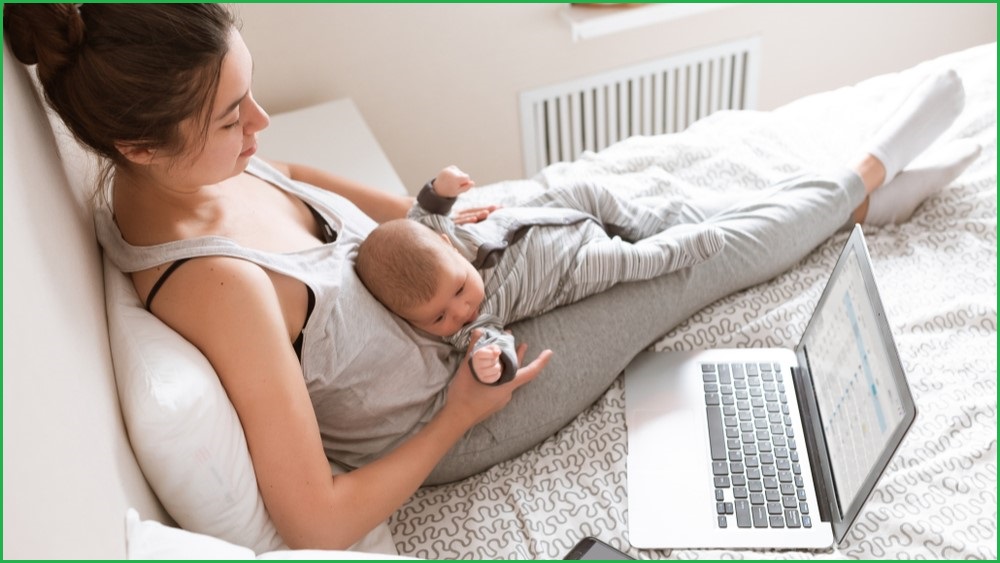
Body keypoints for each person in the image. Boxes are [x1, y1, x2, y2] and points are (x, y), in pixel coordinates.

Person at [4, 3, 978, 551]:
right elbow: (313, 517)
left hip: (425, 290)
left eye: (249, 92)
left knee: (595, 195)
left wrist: (428, 213)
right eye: (232, 118)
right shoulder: (216, 287)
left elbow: (314, 185)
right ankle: (860, 182)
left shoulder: (198, 164)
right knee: (674, 277)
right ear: (140, 145)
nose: (261, 125)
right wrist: (460, 418)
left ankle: (822, 197)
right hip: (461, 386)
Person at [355, 166, 726, 385]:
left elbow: (425, 209)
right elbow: (491, 343)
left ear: (447, 246)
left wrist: (443, 185)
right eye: (438, 317)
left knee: (585, 189)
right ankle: (679, 249)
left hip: (548, 215)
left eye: (459, 289)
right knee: (623, 262)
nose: (461, 309)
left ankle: (650, 223)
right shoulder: (465, 328)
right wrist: (491, 366)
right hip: (571, 265)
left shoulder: (432, 236)